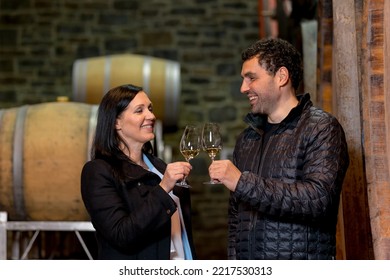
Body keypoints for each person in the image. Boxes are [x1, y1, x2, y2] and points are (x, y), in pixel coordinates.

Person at [209, 38, 349, 260]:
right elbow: (236, 217)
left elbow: (318, 199)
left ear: (281, 77)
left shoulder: (321, 127)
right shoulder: (247, 138)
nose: (243, 88)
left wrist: (242, 182)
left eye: (251, 78)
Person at [81, 84, 196, 260]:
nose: (151, 116)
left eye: (150, 109)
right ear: (116, 122)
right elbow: (122, 234)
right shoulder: (98, 171)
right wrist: (163, 188)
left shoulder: (159, 166)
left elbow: (182, 232)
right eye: (139, 111)